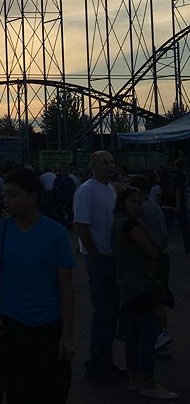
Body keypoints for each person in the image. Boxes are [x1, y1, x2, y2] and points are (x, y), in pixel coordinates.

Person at [0, 167, 76, 404]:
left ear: (33, 196)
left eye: (13, 194)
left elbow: (66, 286)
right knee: (18, 391)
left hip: (49, 325)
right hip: (12, 324)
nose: (6, 200)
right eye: (5, 194)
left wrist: (67, 335)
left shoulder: (55, 233)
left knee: (51, 391)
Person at [112, 186, 178, 399]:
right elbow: (155, 249)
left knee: (132, 335)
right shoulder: (131, 225)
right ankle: (148, 381)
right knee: (147, 334)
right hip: (141, 285)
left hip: (126, 285)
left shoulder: (117, 223)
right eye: (132, 201)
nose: (138, 205)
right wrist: (141, 224)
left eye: (140, 201)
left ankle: (134, 377)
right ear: (123, 203)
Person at [73, 150, 122, 384]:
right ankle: (95, 365)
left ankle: (106, 361)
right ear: (93, 165)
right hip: (99, 258)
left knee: (111, 313)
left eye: (112, 162)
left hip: (112, 257)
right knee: (103, 313)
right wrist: (95, 254)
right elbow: (81, 226)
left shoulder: (111, 189)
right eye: (105, 162)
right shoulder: (86, 190)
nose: (110, 166)